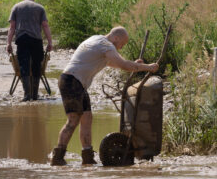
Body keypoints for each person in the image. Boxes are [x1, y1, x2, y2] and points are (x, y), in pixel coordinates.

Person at [50, 26, 158, 166]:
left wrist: (134, 65)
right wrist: (148, 67)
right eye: (122, 44)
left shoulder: (97, 40)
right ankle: (57, 157)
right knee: (73, 120)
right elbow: (123, 65)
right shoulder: (105, 44)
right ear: (115, 38)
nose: (120, 47)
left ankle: (87, 157)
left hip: (76, 82)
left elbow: (113, 63)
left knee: (87, 118)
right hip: (72, 81)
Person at [7, 0, 53, 101]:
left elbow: (12, 27)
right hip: (36, 40)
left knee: (23, 66)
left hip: (22, 39)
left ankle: (27, 95)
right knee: (37, 65)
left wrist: (8, 43)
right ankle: (35, 95)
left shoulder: (16, 7)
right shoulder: (40, 8)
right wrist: (50, 42)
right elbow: (45, 26)